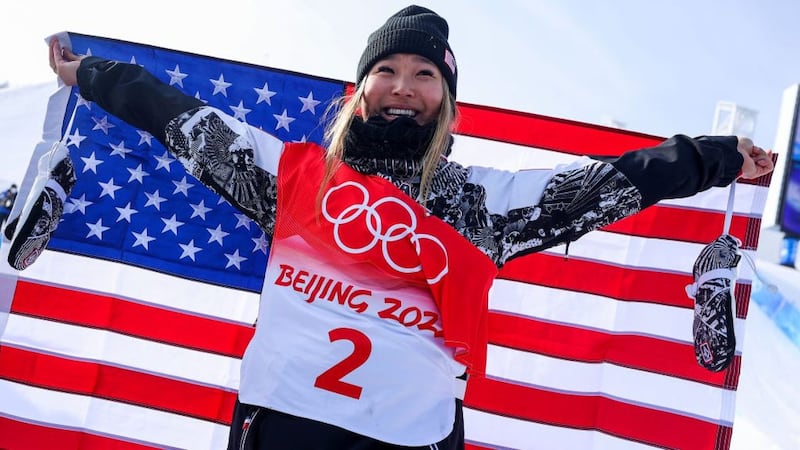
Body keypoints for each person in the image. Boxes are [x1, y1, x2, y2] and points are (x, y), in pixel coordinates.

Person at [36, 5, 772, 450]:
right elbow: (175, 115)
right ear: (360, 92)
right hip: (285, 425)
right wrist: (89, 75)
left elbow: (616, 181)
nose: (403, 85)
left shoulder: (486, 202)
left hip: (410, 437)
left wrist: (717, 159)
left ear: (446, 102)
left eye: (425, 74)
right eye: (387, 69)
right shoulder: (294, 175)